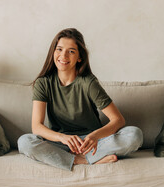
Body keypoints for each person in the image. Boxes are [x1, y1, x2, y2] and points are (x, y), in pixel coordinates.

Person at [18, 28, 143, 171]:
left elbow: (118, 120)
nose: (63, 55)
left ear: (79, 57)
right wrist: (62, 138)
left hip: (90, 144)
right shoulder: (43, 83)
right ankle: (81, 160)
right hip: (60, 143)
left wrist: (94, 136)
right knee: (24, 142)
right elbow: (37, 127)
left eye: (71, 51)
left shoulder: (89, 83)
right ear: (53, 52)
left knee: (134, 135)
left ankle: (78, 158)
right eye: (59, 49)